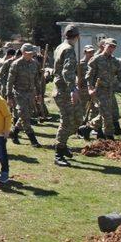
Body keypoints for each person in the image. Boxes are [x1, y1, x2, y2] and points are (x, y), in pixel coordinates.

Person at [82, 38, 121, 140]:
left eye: (113, 47)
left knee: (104, 113)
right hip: (98, 90)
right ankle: (109, 136)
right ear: (104, 46)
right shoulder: (96, 59)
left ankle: (87, 128)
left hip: (109, 91)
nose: (111, 49)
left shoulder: (115, 61)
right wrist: (90, 88)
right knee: (107, 114)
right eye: (110, 46)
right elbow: (89, 76)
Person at [52, 24, 80, 166]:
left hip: (59, 89)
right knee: (67, 121)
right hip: (64, 90)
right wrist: (73, 89)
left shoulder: (60, 47)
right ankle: (58, 153)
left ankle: (62, 146)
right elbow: (67, 72)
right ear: (77, 37)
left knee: (75, 119)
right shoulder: (69, 49)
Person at [7, 43, 42, 147]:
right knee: (25, 116)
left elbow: (37, 80)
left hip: (31, 93)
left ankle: (14, 132)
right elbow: (10, 81)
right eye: (28, 53)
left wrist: (39, 94)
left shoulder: (35, 64)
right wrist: (9, 96)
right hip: (19, 93)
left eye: (31, 53)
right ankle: (33, 139)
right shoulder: (16, 64)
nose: (30, 55)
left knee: (26, 115)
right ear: (22, 53)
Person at [76, 45, 97, 139]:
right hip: (83, 89)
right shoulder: (80, 63)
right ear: (85, 52)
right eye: (89, 52)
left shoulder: (95, 62)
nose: (91, 54)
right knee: (81, 110)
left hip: (92, 89)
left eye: (92, 52)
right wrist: (77, 82)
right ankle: (79, 130)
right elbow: (75, 75)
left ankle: (89, 128)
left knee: (93, 109)